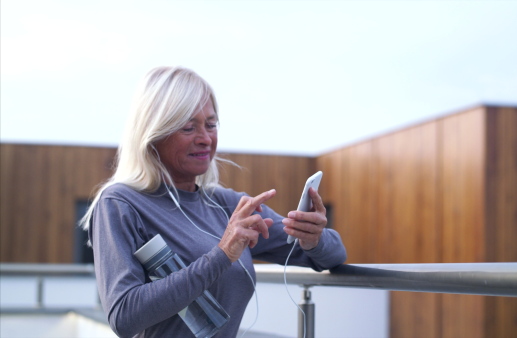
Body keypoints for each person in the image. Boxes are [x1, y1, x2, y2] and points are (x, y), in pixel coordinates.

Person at [80, 66, 347, 338]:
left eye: (210, 124)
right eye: (188, 127)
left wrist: (312, 238)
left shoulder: (227, 205)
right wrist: (222, 254)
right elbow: (124, 317)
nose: (206, 139)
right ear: (153, 133)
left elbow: (334, 255)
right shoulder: (120, 204)